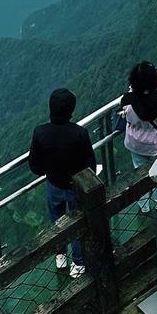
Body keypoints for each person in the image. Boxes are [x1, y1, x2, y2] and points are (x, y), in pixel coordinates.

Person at [27, 87, 96, 278]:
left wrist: (50, 172)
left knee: (57, 221)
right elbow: (90, 165)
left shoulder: (40, 133)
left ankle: (60, 255)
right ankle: (78, 263)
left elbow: (34, 165)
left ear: (50, 109)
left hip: (54, 185)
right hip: (76, 187)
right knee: (77, 223)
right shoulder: (80, 133)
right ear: (71, 111)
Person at [119, 62, 157, 208]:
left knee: (139, 173)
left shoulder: (129, 101)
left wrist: (134, 88)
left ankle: (143, 205)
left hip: (135, 144)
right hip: (156, 144)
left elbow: (126, 113)